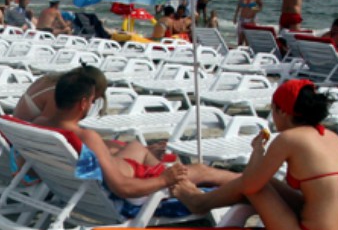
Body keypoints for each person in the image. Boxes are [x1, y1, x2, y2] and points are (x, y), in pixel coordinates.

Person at [172, 79, 338, 230]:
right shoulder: (331, 136)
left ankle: (199, 202)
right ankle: (205, 181)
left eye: (273, 110)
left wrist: (258, 151)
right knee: (271, 182)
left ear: (282, 111)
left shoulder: (288, 138)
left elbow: (250, 185)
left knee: (256, 187)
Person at [34, 71, 237, 200]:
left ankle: (162, 168)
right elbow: (123, 188)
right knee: (202, 170)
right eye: (93, 101)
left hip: (74, 183)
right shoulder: (86, 136)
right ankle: (246, 182)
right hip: (134, 184)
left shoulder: (40, 124)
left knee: (136, 147)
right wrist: (165, 179)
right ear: (84, 103)